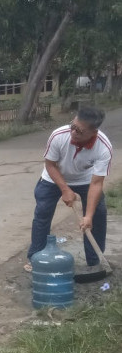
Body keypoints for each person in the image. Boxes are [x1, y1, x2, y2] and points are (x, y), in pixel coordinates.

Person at [27, 106, 113, 271]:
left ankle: (95, 262)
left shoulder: (103, 147)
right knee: (42, 213)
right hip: (53, 177)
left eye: (79, 131)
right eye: (72, 126)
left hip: (86, 180)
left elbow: (96, 183)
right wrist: (65, 189)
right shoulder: (59, 135)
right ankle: (36, 259)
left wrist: (88, 216)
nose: (73, 132)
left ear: (93, 133)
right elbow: (50, 165)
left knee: (97, 215)